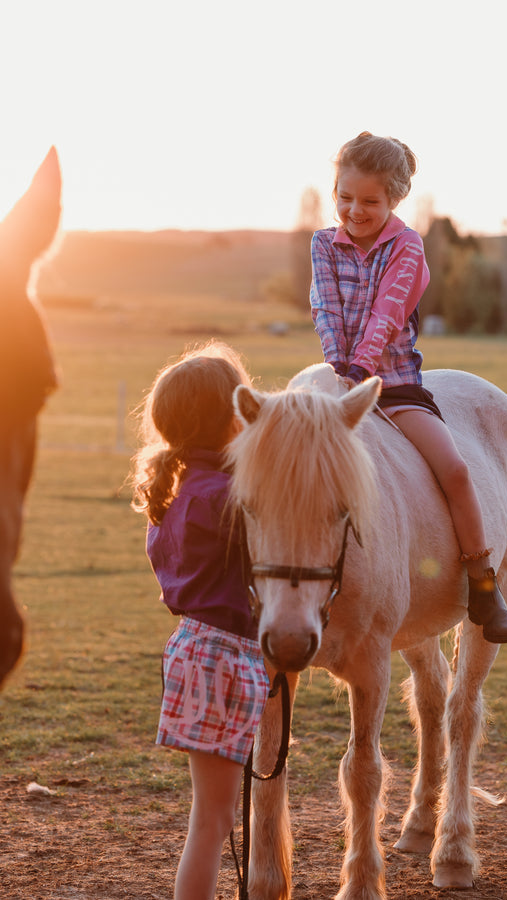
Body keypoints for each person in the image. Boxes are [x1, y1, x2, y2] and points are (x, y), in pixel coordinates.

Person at [310, 131, 507, 644]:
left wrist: (362, 370)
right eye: (344, 197)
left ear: (393, 199)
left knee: (454, 469)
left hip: (394, 386)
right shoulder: (322, 242)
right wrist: (340, 366)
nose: (353, 210)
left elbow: (387, 313)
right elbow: (325, 307)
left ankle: (483, 583)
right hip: (338, 383)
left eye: (368, 201)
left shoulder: (406, 246)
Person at [131, 341, 270, 900]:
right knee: (211, 824)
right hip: (225, 657)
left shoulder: (177, 494)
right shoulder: (227, 497)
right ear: (234, 417)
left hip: (192, 649)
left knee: (212, 820)